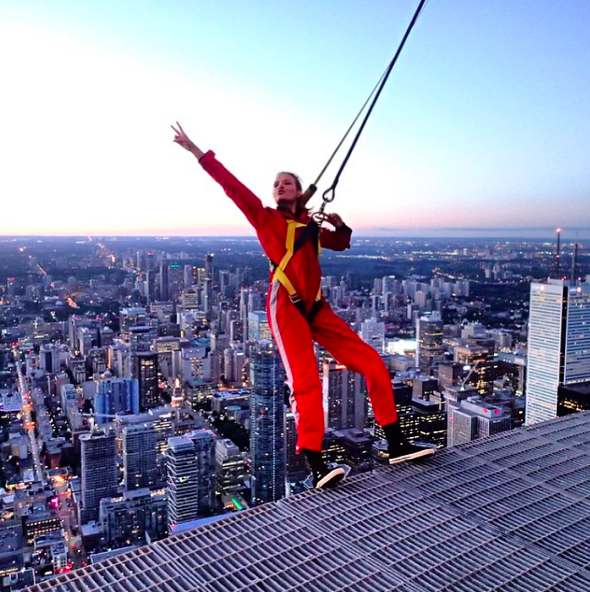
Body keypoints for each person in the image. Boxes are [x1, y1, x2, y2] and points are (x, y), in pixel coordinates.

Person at [172, 122, 434, 489]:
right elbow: (232, 187)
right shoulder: (266, 219)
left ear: (298, 191)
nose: (280, 186)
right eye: (276, 183)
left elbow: (340, 244)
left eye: (287, 182)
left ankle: (396, 443)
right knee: (306, 382)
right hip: (286, 305)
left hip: (316, 306)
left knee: (373, 363)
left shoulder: (309, 226)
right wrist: (197, 151)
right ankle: (316, 464)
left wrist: (341, 227)